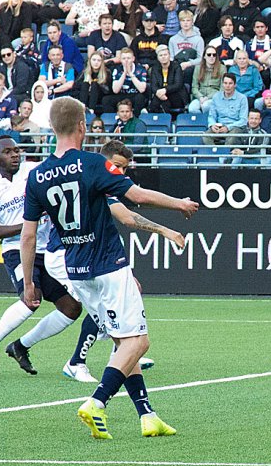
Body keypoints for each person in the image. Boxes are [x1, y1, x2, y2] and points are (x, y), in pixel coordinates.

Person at [21, 97, 198, 440]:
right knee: (139, 342)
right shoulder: (92, 164)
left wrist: (29, 282)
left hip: (77, 269)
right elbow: (137, 197)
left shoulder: (37, 175)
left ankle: (147, 415)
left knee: (122, 342)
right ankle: (97, 401)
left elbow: (28, 236)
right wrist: (179, 204)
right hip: (108, 265)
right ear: (82, 126)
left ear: (53, 127)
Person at [0, 137, 86, 379]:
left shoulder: (35, 170)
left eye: (17, 150)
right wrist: (28, 225)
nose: (15, 155)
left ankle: (21, 345)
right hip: (16, 249)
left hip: (49, 249)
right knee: (31, 297)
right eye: (7, 152)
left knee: (71, 308)